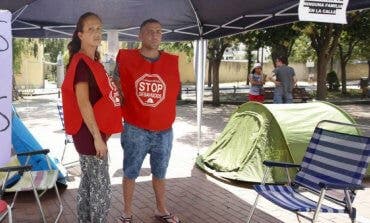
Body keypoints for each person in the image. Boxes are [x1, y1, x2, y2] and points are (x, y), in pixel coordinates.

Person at [114, 18, 181, 223]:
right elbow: (116, 85)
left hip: (164, 130)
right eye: (150, 31)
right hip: (136, 127)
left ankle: (161, 209)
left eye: (159, 32)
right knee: (130, 171)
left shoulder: (171, 61)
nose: (155, 35)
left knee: (160, 171)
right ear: (140, 36)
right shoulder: (125, 58)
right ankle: (126, 212)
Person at [61, 12, 122, 223]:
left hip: (89, 133)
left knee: (88, 184)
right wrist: (97, 137)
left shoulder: (91, 61)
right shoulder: (82, 64)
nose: (97, 33)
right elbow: (83, 102)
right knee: (101, 189)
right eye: (91, 29)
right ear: (80, 35)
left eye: (99, 28)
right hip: (88, 134)